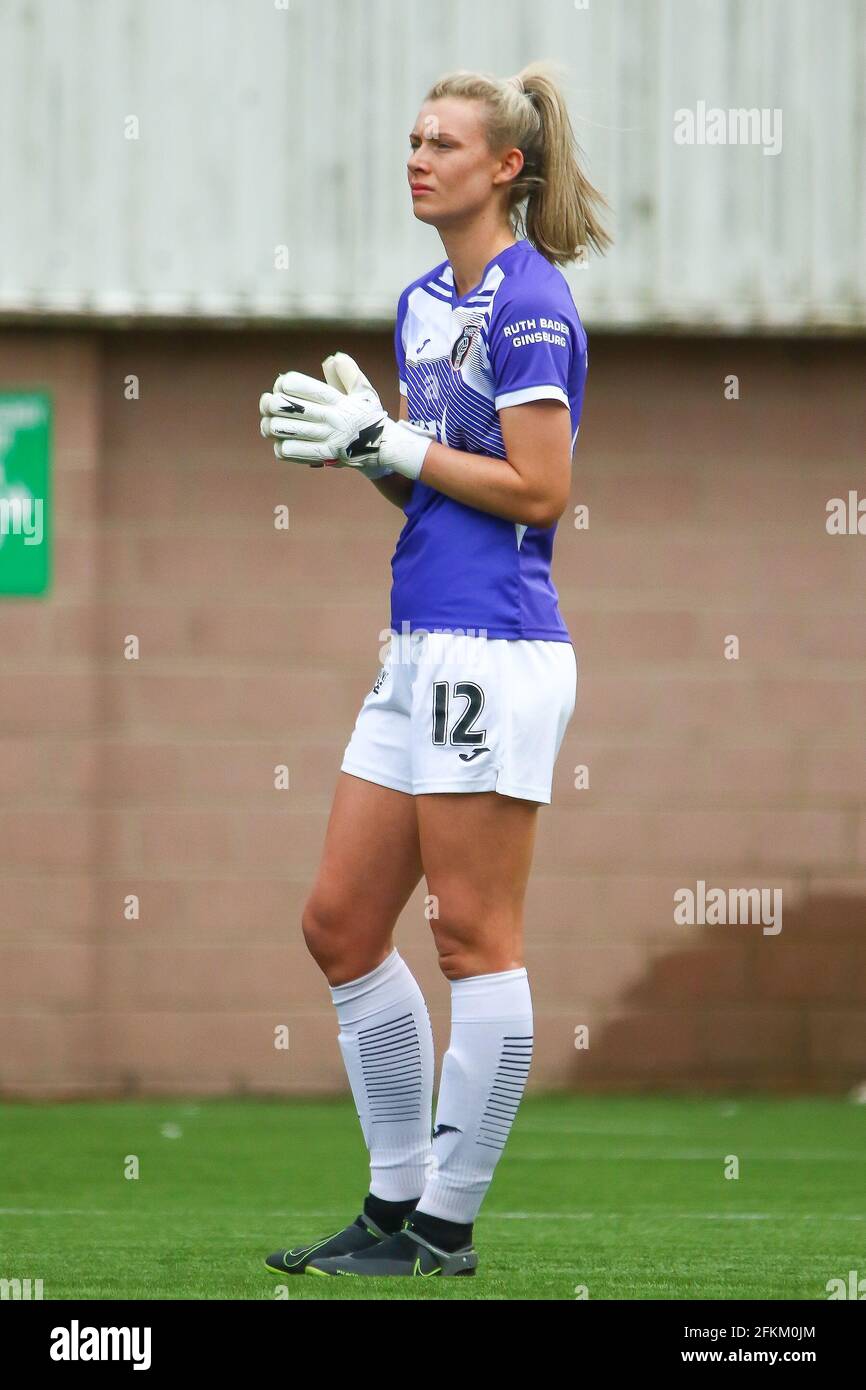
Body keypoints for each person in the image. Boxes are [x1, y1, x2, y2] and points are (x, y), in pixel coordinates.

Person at [259, 60, 611, 1278]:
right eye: (412, 138)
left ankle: (443, 1226)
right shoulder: (420, 301)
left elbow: (539, 491)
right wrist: (368, 456)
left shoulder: (530, 303)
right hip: (414, 641)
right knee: (341, 923)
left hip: (496, 648)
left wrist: (393, 437)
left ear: (503, 167)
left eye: (443, 143)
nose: (417, 156)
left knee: (472, 937)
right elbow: (437, 489)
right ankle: (387, 1204)